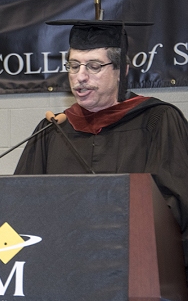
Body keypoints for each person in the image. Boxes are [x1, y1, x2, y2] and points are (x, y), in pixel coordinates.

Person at [14, 20, 188, 279]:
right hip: (58, 275)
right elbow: (17, 205)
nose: (81, 76)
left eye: (94, 66)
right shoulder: (52, 130)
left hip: (135, 274)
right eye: (73, 66)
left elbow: (173, 205)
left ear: (122, 71)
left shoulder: (158, 121)